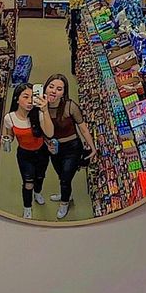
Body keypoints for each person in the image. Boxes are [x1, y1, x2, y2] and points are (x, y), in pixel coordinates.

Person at [43, 74, 97, 219]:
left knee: (66, 178)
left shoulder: (70, 106)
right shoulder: (41, 107)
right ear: (45, 88)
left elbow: (83, 128)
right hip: (54, 149)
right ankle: (66, 192)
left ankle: (64, 202)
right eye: (51, 87)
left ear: (63, 92)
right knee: (61, 175)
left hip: (72, 148)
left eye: (59, 89)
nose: (54, 91)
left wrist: (92, 147)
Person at [2, 83, 54, 219]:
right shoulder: (10, 118)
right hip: (25, 155)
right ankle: (27, 207)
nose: (30, 101)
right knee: (28, 183)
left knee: (40, 176)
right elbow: (10, 135)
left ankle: (38, 192)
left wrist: (45, 110)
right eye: (26, 97)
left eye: (33, 97)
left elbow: (49, 133)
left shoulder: (39, 114)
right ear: (17, 99)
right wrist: (6, 139)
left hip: (42, 152)